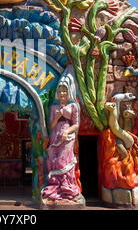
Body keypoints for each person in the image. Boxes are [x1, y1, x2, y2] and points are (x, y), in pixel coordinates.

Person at [41, 73, 83, 202]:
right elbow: (52, 125)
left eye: (64, 90)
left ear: (68, 91)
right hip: (55, 135)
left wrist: (67, 132)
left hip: (67, 137)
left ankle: (67, 187)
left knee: (63, 161)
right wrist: (58, 116)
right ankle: (54, 186)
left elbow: (76, 124)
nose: (62, 93)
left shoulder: (73, 106)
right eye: (60, 91)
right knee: (53, 159)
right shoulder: (54, 107)